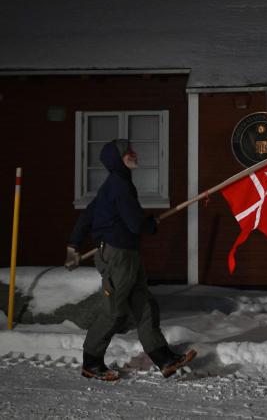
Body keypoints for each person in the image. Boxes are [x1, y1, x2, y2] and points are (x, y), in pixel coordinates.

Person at [66, 139, 196, 381]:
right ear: (118, 159)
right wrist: (151, 224)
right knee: (113, 311)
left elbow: (88, 215)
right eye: (127, 152)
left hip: (128, 255)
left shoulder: (115, 185)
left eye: (132, 150)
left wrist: (73, 245)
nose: (133, 154)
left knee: (145, 307)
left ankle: (164, 359)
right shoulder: (118, 186)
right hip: (117, 256)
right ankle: (91, 363)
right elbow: (136, 223)